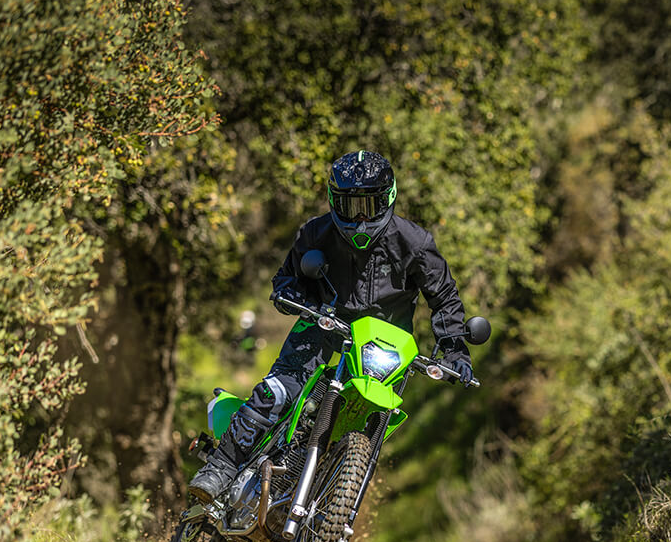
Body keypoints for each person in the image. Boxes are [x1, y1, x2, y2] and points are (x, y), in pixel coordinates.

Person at [187, 149, 474, 505]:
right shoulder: (315, 233)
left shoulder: (415, 243)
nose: (359, 218)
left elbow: (444, 297)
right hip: (323, 328)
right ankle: (220, 467)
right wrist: (291, 295)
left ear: (388, 197)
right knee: (276, 392)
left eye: (368, 205)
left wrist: (456, 350)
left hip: (384, 348)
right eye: (349, 206)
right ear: (332, 201)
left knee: (374, 426)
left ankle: (330, 506)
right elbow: (285, 279)